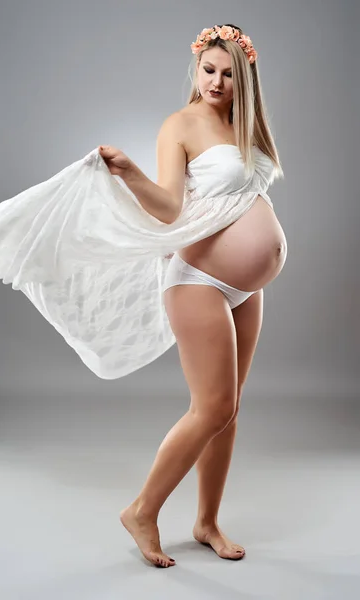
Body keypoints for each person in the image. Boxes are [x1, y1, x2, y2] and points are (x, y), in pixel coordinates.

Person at [98, 24, 287, 568]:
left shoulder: (247, 128)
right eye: (209, 70)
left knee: (229, 412)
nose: (216, 82)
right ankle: (142, 509)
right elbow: (170, 208)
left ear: (245, 77)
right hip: (198, 282)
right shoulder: (180, 125)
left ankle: (206, 522)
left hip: (243, 289)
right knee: (214, 407)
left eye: (229, 74)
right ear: (195, 68)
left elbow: (242, 199)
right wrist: (131, 173)